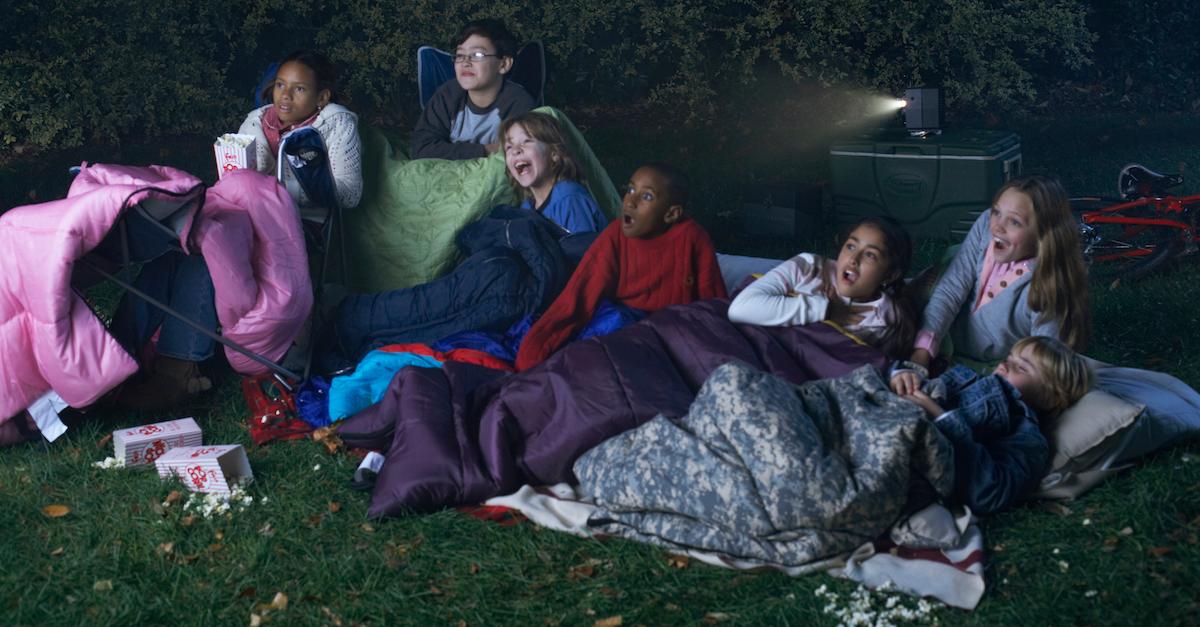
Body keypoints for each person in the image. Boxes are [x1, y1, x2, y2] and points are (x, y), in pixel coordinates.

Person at [514, 163, 727, 370]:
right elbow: (579, 296)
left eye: (646, 196)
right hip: (625, 323)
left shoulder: (692, 237)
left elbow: (712, 299)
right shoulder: (615, 235)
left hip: (673, 327)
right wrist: (535, 350)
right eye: (631, 189)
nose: (630, 202)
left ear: (671, 214)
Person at [892, 174, 1091, 395]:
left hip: (981, 363)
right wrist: (920, 356)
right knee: (908, 296)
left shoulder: (1050, 289)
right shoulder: (986, 227)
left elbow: (1045, 362)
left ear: (1044, 234)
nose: (997, 227)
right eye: (997, 211)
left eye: (1014, 221)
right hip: (938, 327)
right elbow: (951, 289)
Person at [896, 335, 1093, 514]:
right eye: (1008, 359)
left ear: (1049, 398)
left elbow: (988, 494)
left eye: (1021, 368)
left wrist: (942, 417)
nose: (1003, 366)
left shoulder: (1026, 436)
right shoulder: (971, 381)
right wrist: (899, 376)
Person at [727, 216, 916, 358]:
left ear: (890, 275)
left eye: (870, 255)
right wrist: (824, 309)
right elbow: (739, 308)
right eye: (850, 246)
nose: (853, 259)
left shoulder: (882, 318)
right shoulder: (809, 268)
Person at [239, 49, 362, 222]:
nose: (285, 95)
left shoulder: (337, 125)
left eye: (299, 89)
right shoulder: (254, 123)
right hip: (250, 216)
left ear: (321, 97)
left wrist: (278, 192)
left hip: (304, 223)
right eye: (280, 85)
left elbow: (350, 194)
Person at [411, 19, 536, 160]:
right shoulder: (448, 95)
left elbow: (522, 153)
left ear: (504, 64)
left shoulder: (517, 102)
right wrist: (484, 150)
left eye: (477, 55)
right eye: (459, 55)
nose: (465, 62)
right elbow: (420, 147)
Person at [500, 111, 608, 233]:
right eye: (509, 147)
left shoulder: (569, 199)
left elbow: (585, 249)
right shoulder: (527, 207)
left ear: (554, 154)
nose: (515, 150)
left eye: (526, 141)